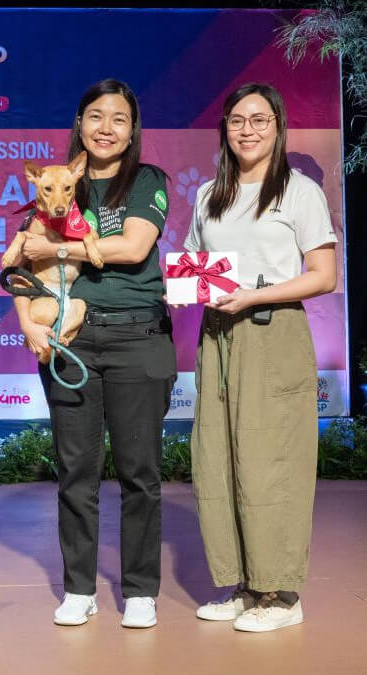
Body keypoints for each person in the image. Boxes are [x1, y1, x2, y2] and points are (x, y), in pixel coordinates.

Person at [15, 79, 175, 629]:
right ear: (79, 126)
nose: (106, 127)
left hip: (137, 338)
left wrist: (55, 246)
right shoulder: (56, 184)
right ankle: (79, 589)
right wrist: (28, 324)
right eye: (96, 117)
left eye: (119, 119)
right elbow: (21, 267)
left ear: (132, 131)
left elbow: (132, 247)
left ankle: (140, 591)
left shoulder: (146, 181)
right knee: (75, 473)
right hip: (71, 337)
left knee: (139, 473)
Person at [184, 83, 337, 632]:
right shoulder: (208, 194)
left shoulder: (299, 191)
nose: (247, 130)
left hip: (273, 331)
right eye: (237, 120)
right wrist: (182, 286)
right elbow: (196, 263)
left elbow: (324, 275)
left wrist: (253, 295)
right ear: (224, 128)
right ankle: (244, 585)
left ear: (277, 126)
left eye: (259, 119)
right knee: (219, 457)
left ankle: (283, 594)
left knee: (273, 461)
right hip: (217, 335)